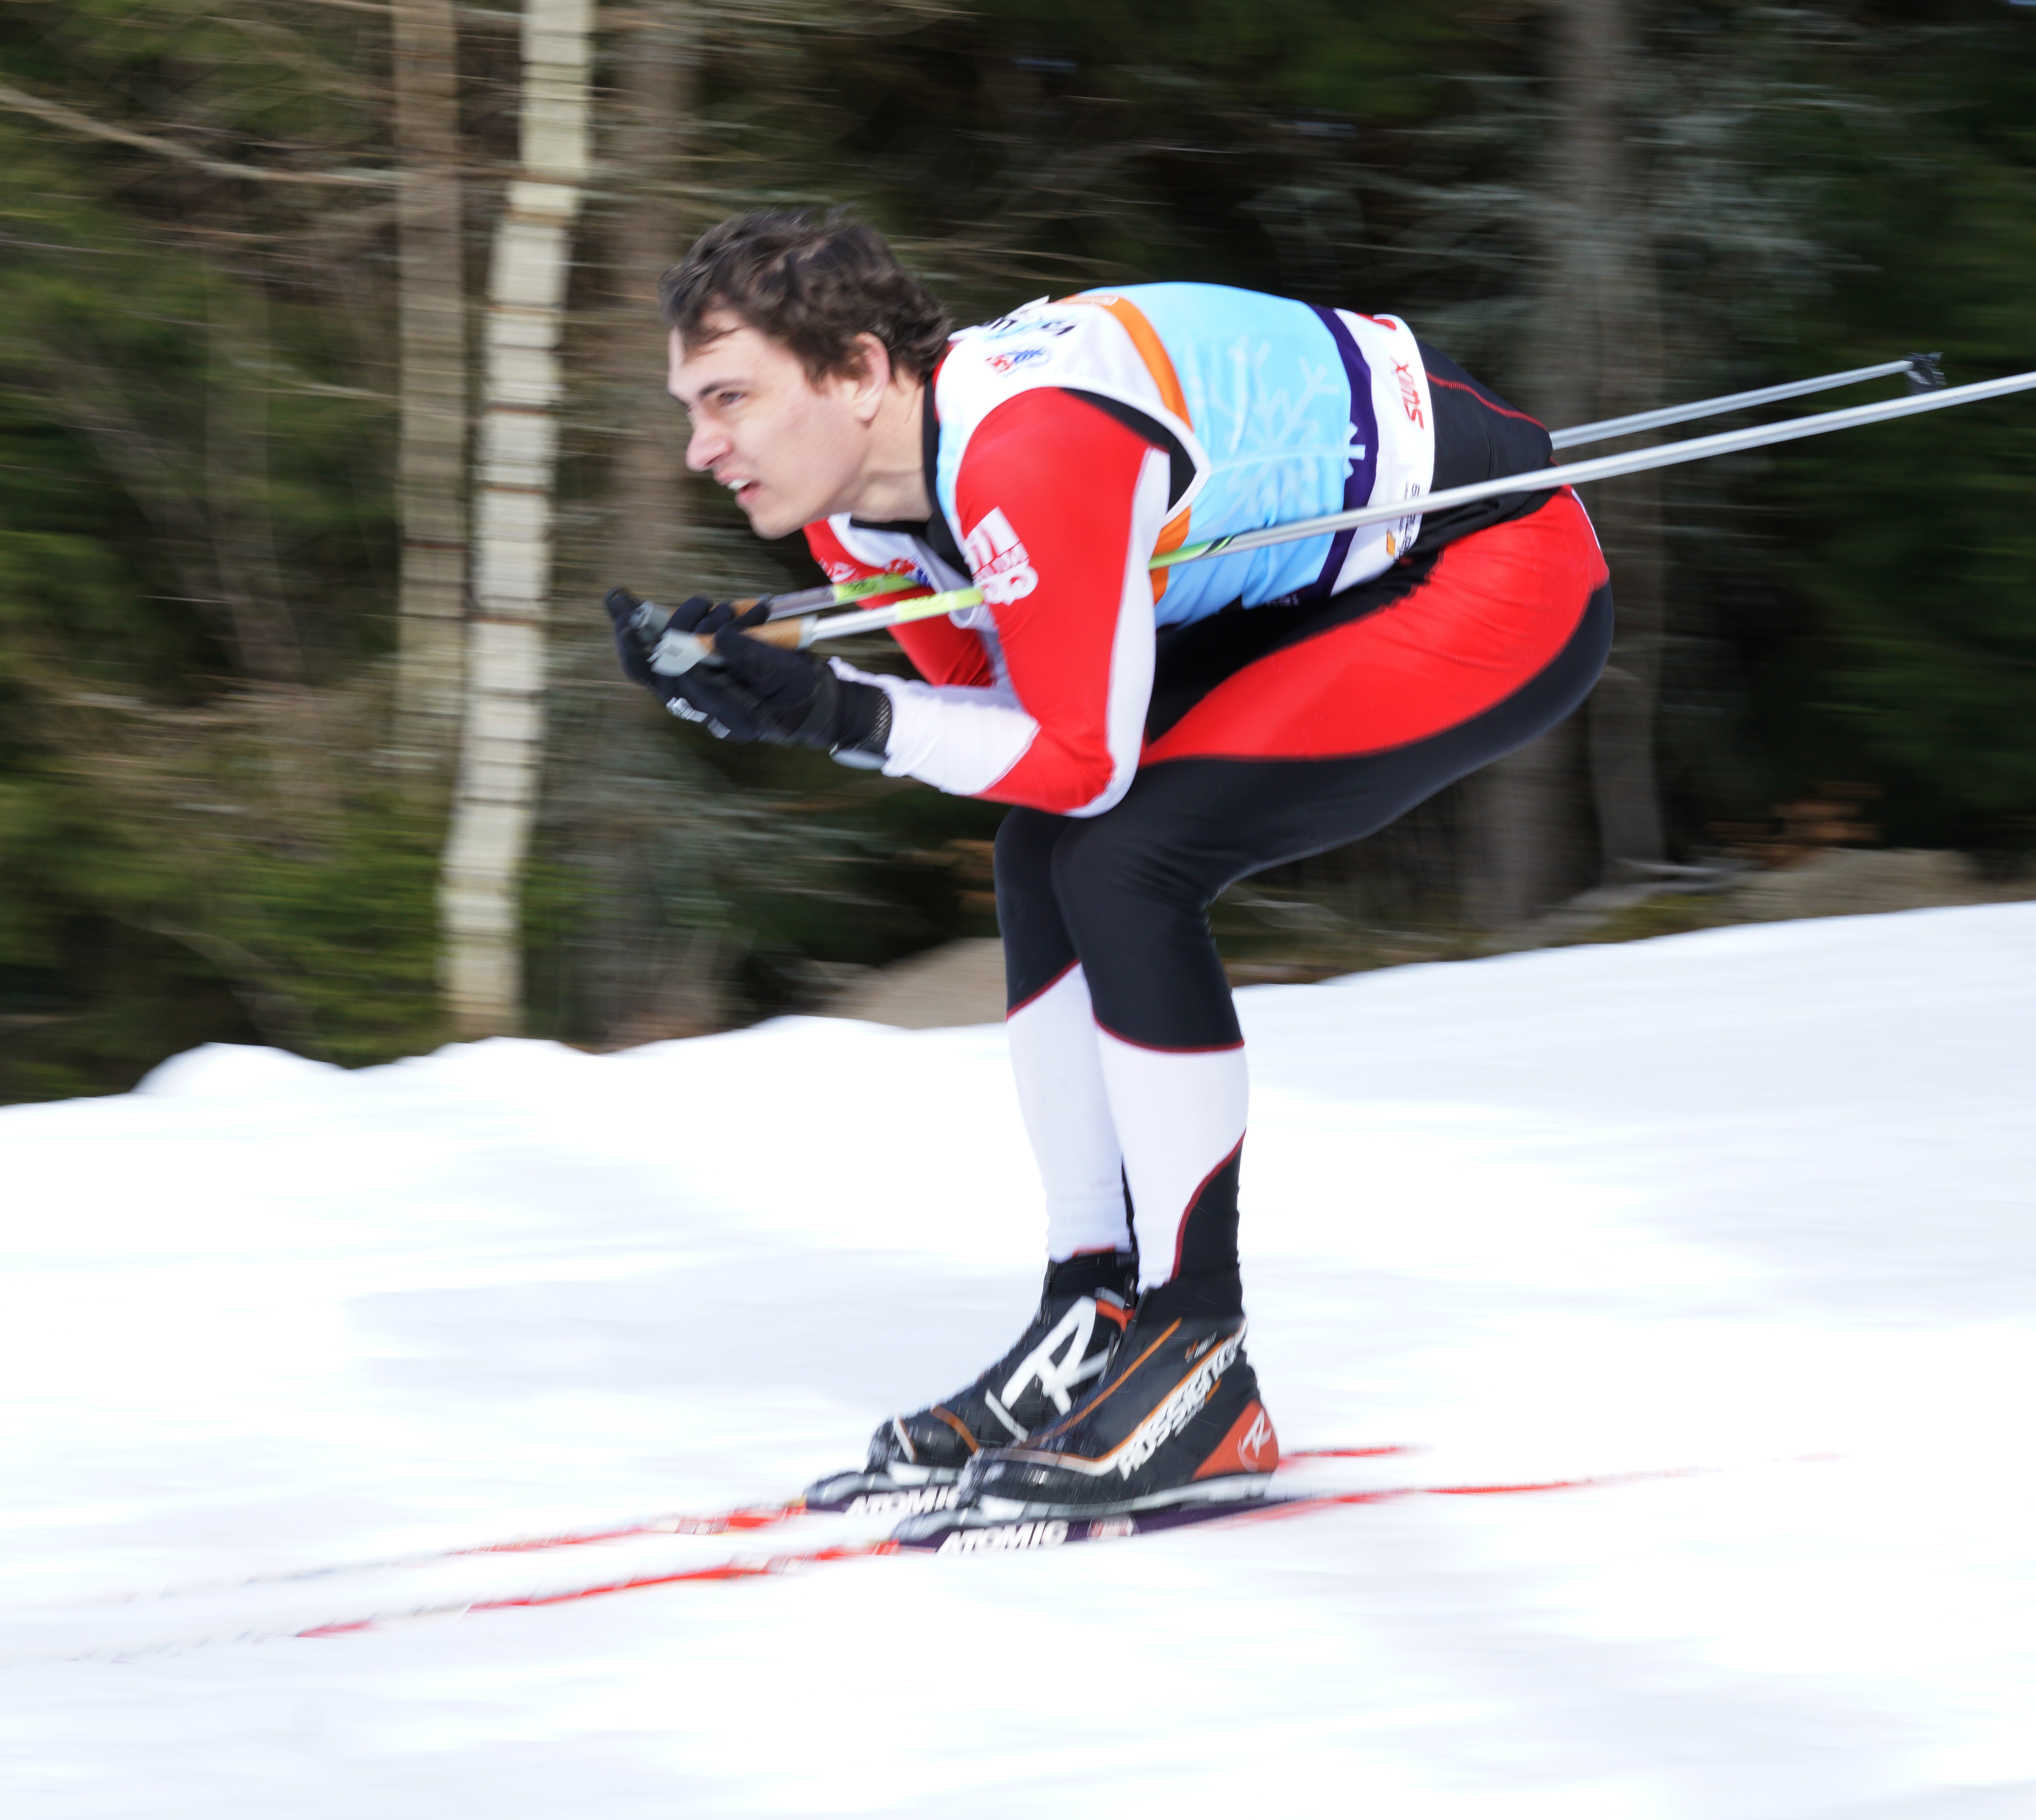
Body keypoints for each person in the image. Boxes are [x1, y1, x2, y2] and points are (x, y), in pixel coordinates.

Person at [608, 209, 1610, 1523]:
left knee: (1127, 857)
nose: (701, 448)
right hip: (1308, 582)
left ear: (857, 372)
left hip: (1490, 563)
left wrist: (834, 710)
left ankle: (1199, 1354)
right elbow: (1009, 728)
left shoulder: (1029, 451)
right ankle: (1094, 1312)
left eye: (730, 399)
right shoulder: (858, 514)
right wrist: (773, 690)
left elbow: (1075, 757)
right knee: (1045, 855)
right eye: (691, 409)